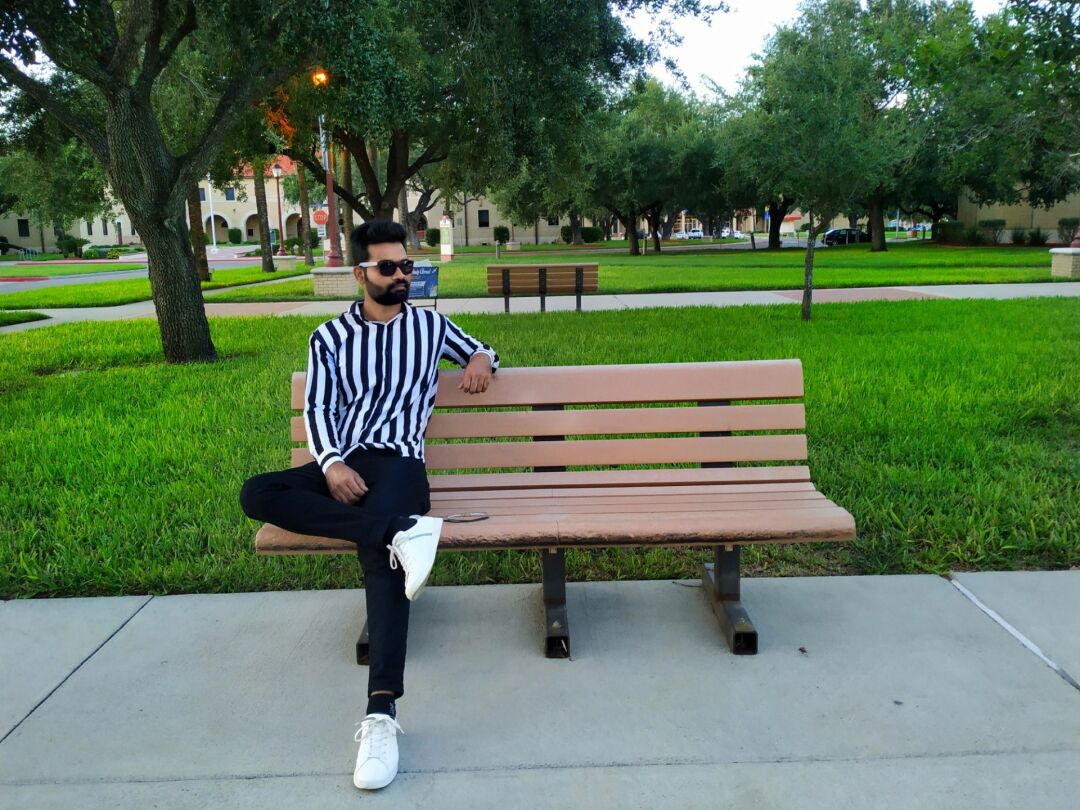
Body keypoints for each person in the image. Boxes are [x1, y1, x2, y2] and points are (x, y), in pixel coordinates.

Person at [239, 219, 498, 791]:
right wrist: (332, 465)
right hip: (343, 462)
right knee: (257, 492)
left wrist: (481, 359)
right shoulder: (329, 338)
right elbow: (318, 409)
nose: (401, 274)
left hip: (401, 464)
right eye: (388, 267)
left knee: (379, 561)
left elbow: (480, 349)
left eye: (407, 265)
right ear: (361, 274)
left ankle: (380, 713)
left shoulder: (430, 326)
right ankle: (398, 531)